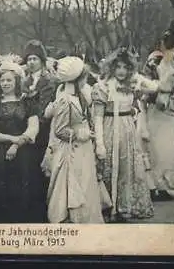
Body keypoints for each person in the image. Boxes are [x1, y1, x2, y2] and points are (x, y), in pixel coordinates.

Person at [92, 47, 157, 222]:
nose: (121, 71)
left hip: (128, 129)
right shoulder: (103, 86)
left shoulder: (131, 84)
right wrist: (99, 143)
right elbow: (97, 118)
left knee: (126, 169)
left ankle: (122, 206)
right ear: (112, 68)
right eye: (118, 67)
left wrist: (137, 77)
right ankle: (107, 207)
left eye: (125, 67)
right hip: (109, 128)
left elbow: (154, 87)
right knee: (109, 167)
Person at [0, 61, 41, 223]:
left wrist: (17, 144)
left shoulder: (28, 100)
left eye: (9, 80)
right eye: (2, 80)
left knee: (23, 194)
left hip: (24, 155)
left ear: (17, 81)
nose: (5, 83)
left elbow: (33, 128)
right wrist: (11, 139)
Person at [45, 57, 105, 223]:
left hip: (83, 149)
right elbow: (60, 130)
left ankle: (86, 219)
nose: (86, 81)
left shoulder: (79, 96)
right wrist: (80, 134)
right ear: (77, 79)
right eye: (84, 78)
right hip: (71, 150)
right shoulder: (65, 99)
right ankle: (72, 220)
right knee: (72, 185)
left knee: (85, 183)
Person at [139, 47, 174, 202]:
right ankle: (154, 186)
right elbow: (144, 94)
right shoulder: (151, 73)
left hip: (168, 114)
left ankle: (165, 185)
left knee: (170, 150)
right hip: (154, 114)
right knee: (155, 151)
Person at [21, 40, 59, 222]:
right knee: (29, 170)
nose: (31, 62)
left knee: (43, 169)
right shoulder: (24, 80)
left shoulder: (49, 81)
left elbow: (44, 108)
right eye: (28, 59)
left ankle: (44, 212)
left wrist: (32, 118)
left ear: (42, 60)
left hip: (43, 130)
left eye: (34, 58)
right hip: (28, 129)